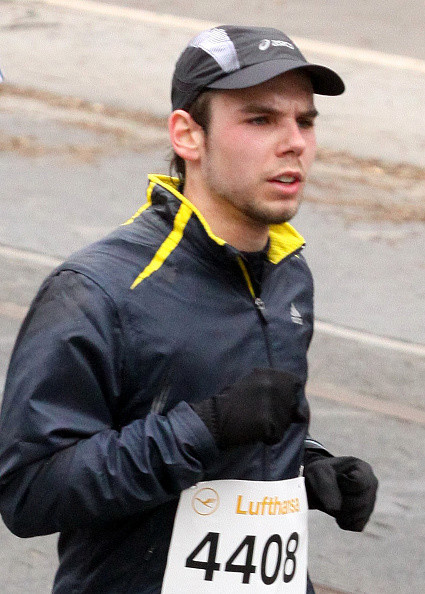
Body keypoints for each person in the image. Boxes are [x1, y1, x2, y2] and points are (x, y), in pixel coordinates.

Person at [0, 26, 378, 593]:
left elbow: (243, 422)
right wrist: (202, 429)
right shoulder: (99, 289)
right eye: (260, 119)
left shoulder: (288, 274)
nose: (294, 141)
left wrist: (307, 463)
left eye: (305, 120)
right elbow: (30, 492)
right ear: (188, 135)